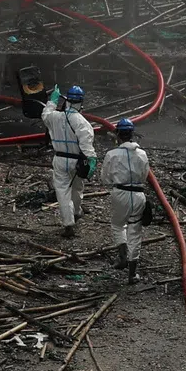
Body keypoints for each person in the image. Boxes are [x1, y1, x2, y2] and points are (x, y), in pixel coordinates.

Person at [41, 83, 96, 237]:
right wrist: (91, 161)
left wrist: (52, 101)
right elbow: (86, 146)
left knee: (62, 191)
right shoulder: (82, 122)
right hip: (77, 161)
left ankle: (68, 224)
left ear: (67, 100)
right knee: (77, 188)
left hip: (59, 159)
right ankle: (77, 212)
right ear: (81, 102)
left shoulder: (55, 117)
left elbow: (45, 115)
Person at [100, 117, 149, 284]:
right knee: (135, 232)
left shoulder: (111, 154)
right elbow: (145, 175)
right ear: (132, 134)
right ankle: (132, 273)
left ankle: (122, 256)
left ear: (118, 135)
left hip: (120, 193)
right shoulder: (142, 154)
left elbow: (105, 178)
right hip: (138, 194)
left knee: (117, 224)